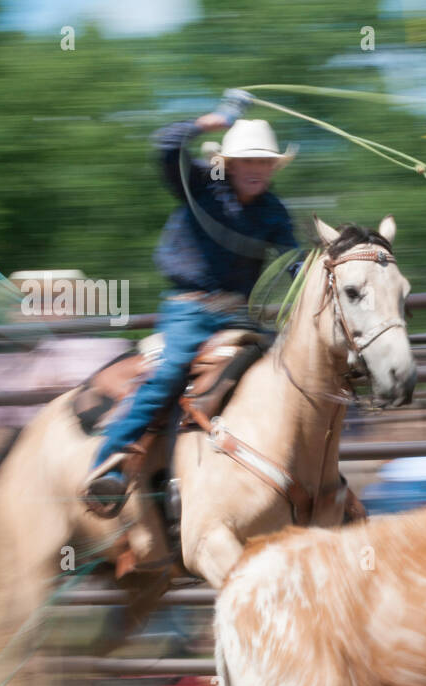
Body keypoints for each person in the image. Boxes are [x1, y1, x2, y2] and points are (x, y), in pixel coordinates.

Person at [83, 89, 299, 515]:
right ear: (230, 164)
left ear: (273, 168)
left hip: (238, 315)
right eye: (249, 160)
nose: (257, 169)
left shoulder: (274, 211)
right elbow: (165, 144)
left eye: (264, 162)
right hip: (189, 310)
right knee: (167, 376)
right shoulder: (201, 184)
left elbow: (294, 261)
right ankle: (106, 466)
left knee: (286, 373)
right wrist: (216, 118)